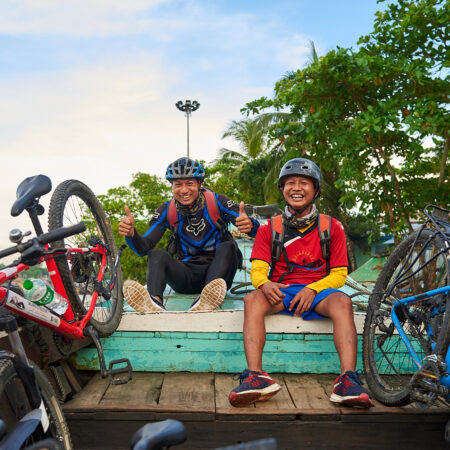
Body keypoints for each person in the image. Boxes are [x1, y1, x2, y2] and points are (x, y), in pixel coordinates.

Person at [229, 158, 373, 408]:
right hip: (282, 291)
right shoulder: (268, 229)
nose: (296, 188)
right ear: (282, 189)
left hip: (319, 292)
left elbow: (339, 274)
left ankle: (347, 380)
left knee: (343, 301)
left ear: (315, 190)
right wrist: (264, 285)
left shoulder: (332, 226)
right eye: (290, 183)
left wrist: (312, 289)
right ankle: (255, 376)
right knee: (252, 298)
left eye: (304, 183)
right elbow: (258, 271)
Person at [119, 157, 259, 312]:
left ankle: (206, 301)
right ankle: (155, 304)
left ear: (199, 184)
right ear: (172, 187)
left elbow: (253, 228)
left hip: (219, 278)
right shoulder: (166, 210)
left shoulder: (218, 201)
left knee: (229, 246)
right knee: (156, 254)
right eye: (178, 184)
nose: (184, 190)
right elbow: (143, 248)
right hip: (187, 277)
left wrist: (250, 225)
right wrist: (131, 235)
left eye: (189, 183)